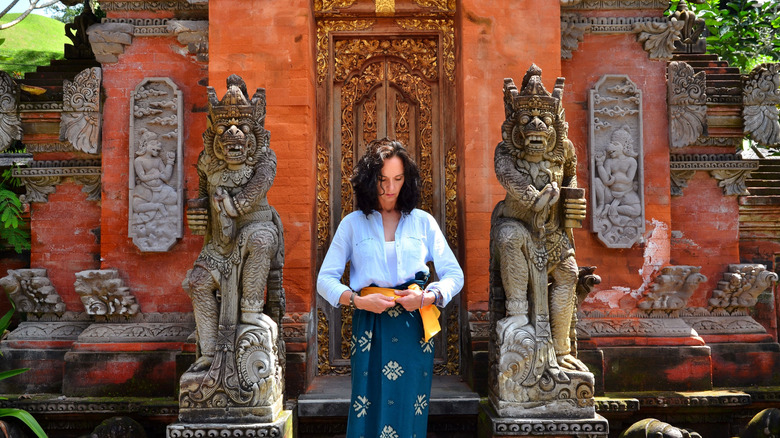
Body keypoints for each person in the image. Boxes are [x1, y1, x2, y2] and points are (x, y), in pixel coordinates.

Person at [317, 138, 463, 437]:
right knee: (367, 403)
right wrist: (357, 301)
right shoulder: (352, 224)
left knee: (410, 406)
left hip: (414, 327)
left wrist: (428, 297)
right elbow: (325, 280)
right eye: (383, 180)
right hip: (370, 325)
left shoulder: (422, 222)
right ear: (370, 181)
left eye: (397, 179)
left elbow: (454, 274)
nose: (390, 188)